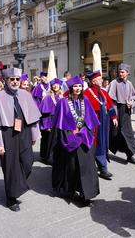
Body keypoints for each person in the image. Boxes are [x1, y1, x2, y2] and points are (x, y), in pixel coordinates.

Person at [0, 67, 41, 212]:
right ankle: (11, 198)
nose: (15, 82)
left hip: (24, 133)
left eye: (17, 79)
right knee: (10, 167)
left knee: (28, 162)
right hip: (7, 134)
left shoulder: (26, 94)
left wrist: (34, 135)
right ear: (6, 80)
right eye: (12, 79)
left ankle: (18, 184)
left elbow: (33, 119)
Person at [51, 76, 100, 206]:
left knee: (87, 165)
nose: (77, 89)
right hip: (69, 137)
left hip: (84, 136)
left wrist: (85, 132)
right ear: (70, 88)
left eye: (79, 86)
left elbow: (90, 122)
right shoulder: (63, 102)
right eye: (75, 86)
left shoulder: (86, 100)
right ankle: (70, 190)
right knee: (72, 165)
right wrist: (69, 136)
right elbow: (59, 123)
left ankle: (87, 194)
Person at [84, 70, 118, 180]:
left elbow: (110, 105)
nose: (102, 80)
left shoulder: (103, 92)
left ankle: (103, 167)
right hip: (93, 124)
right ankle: (98, 167)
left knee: (103, 144)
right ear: (93, 81)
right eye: (99, 79)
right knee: (94, 144)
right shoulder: (86, 93)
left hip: (104, 123)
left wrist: (113, 117)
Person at [108, 63, 135, 165]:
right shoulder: (114, 83)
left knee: (128, 133)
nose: (120, 74)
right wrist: (114, 115)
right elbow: (111, 100)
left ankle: (130, 155)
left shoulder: (129, 84)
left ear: (127, 73)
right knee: (115, 133)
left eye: (122, 72)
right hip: (117, 110)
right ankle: (105, 151)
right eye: (119, 72)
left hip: (126, 111)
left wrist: (131, 103)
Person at [39, 78, 63, 164]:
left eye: (57, 84)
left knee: (57, 140)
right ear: (51, 86)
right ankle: (48, 157)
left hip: (59, 121)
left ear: (60, 86)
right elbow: (45, 114)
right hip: (50, 120)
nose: (55, 86)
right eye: (54, 84)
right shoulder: (47, 97)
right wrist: (47, 125)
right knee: (48, 139)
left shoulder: (62, 97)